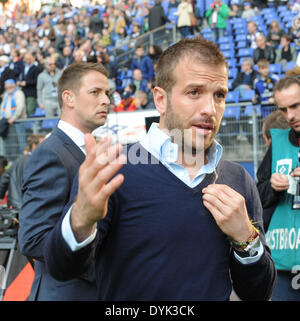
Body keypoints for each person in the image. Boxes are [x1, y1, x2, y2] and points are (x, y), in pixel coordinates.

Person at [43, 37, 276, 301]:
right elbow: (61, 269)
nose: (210, 109)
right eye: (194, 92)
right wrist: (80, 221)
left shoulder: (238, 179)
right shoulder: (115, 171)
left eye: (219, 95)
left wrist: (246, 239)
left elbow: (259, 293)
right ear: (160, 99)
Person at [18, 62, 110, 301]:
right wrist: (99, 265)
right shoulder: (51, 153)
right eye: (95, 92)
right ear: (68, 98)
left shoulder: (85, 151)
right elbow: (33, 239)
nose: (106, 100)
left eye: (107, 93)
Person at [256, 76, 300, 301]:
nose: (290, 115)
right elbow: (259, 195)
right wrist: (273, 187)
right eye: (283, 109)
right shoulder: (278, 143)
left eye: (295, 106)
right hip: (282, 260)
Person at [0, 134, 45, 209]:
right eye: (44, 143)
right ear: (34, 145)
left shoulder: (18, 160)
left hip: (15, 205)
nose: (46, 146)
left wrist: (1, 195)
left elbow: (5, 178)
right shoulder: (37, 161)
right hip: (29, 206)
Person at [0, 78, 27, 160]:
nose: (8, 88)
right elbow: (2, 108)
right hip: (7, 123)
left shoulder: (19, 93)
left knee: (21, 142)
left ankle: (24, 160)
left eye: (10, 86)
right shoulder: (6, 95)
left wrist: (13, 117)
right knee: (10, 143)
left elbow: (20, 107)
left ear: (14, 85)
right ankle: (12, 161)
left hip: (18, 122)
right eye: (7, 87)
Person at [17, 52, 41, 116]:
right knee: (23, 111)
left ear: (32, 59)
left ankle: (31, 125)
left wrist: (26, 83)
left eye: (29, 58)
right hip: (23, 92)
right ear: (24, 59)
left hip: (31, 93)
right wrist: (19, 82)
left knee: (30, 110)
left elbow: (37, 81)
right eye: (26, 59)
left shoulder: (36, 68)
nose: (28, 60)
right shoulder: (22, 68)